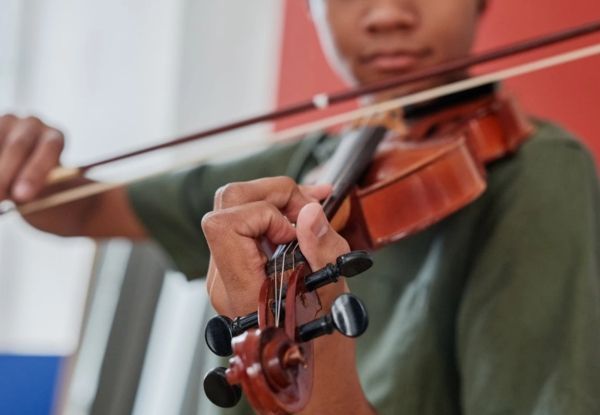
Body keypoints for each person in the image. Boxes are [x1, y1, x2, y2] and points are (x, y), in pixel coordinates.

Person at [1, 0, 600, 413]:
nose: (388, 13)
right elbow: (85, 210)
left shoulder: (533, 172)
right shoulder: (314, 160)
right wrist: (30, 170)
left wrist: (326, 387)